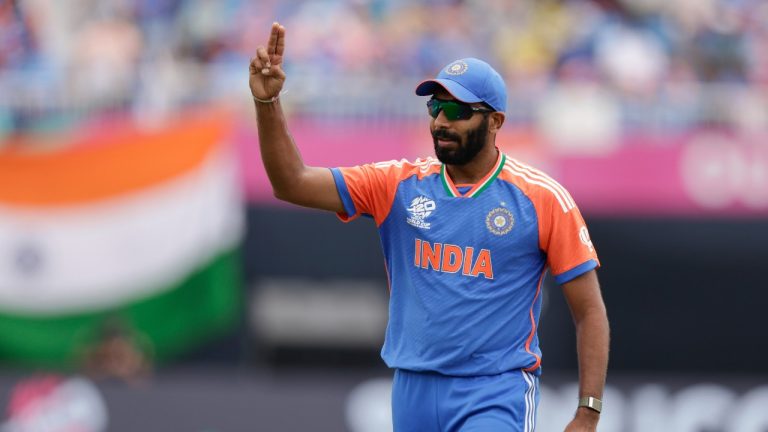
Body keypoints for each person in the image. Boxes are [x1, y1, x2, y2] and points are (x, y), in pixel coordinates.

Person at [250, 22, 609, 432]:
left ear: (495, 121)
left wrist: (588, 411)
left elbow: (589, 310)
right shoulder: (397, 183)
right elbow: (290, 182)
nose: (441, 122)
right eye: (434, 108)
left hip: (494, 393)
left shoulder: (542, 199)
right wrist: (268, 102)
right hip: (412, 391)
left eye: (456, 111)